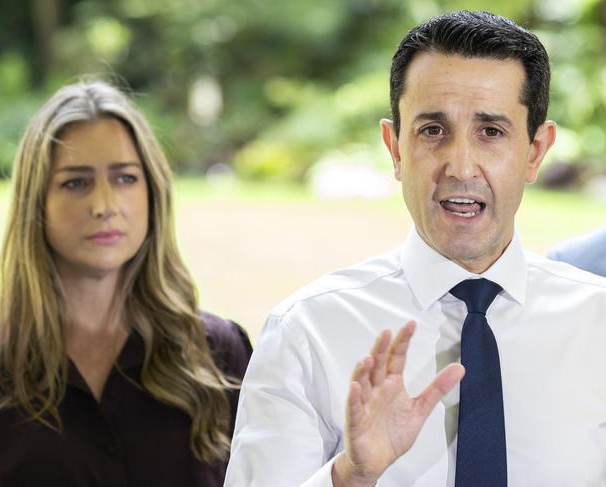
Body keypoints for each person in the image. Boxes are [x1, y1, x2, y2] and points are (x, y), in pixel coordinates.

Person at [225, 11, 606, 487]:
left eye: (491, 131)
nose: (461, 166)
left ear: (534, 151)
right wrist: (351, 475)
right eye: (432, 131)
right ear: (395, 148)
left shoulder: (598, 324)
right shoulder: (308, 331)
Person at [0, 80, 252, 487]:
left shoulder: (217, 351)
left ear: (153, 192)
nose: (104, 206)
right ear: (36, 201)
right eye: (76, 183)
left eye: (125, 178)